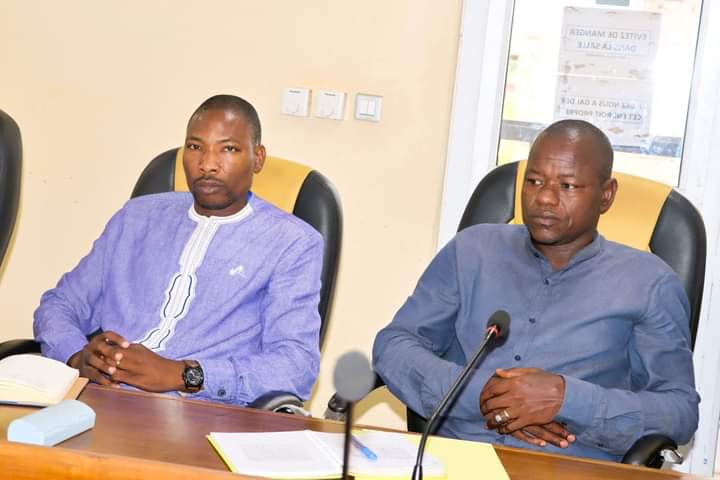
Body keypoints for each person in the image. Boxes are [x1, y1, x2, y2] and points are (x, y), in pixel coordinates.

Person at [373, 119, 699, 461]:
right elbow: (393, 345)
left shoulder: (649, 283)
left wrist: (564, 399)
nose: (544, 198)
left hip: (569, 465)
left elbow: (679, 411)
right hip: (458, 458)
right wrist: (484, 394)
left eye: (567, 186)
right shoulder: (471, 251)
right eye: (534, 181)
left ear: (606, 195)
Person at [34, 94, 323, 406]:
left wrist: (184, 375)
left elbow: (296, 367)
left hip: (195, 412)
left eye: (228, 149)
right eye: (195, 147)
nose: (207, 164)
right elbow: (60, 304)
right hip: (98, 399)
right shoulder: (136, 217)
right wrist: (76, 356)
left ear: (258, 158)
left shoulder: (292, 243)